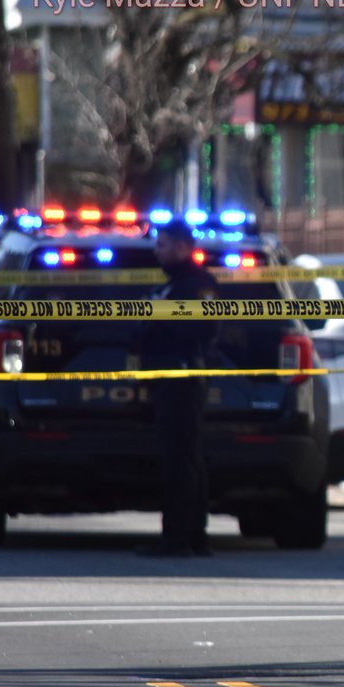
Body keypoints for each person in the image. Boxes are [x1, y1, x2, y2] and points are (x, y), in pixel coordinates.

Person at [136, 219, 221, 557]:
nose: (159, 251)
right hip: (167, 380)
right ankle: (194, 535)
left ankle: (178, 538)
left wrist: (156, 322)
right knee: (185, 457)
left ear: (185, 246)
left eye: (165, 244)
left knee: (181, 459)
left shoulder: (199, 285)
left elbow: (198, 329)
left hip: (183, 379)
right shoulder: (170, 286)